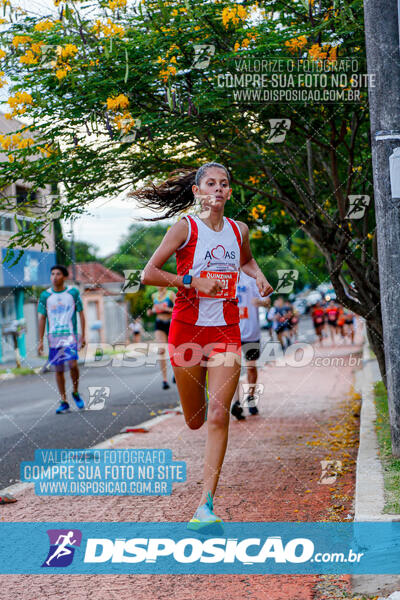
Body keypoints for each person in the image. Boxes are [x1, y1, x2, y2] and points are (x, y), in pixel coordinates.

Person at [134, 162, 273, 530]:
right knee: (195, 420)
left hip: (227, 331)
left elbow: (246, 260)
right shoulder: (185, 227)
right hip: (187, 330)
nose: (217, 189)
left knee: (217, 414)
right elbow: (148, 274)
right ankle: (192, 420)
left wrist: (259, 277)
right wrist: (192, 282)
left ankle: (205, 505)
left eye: (224, 184)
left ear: (229, 192)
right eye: (209, 183)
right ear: (197, 191)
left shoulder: (238, 229)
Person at [37, 264, 86, 414]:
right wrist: (40, 340)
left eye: (58, 274)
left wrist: (83, 335)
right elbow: (42, 318)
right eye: (52, 274)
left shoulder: (73, 293)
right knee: (58, 369)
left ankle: (75, 392)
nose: (55, 277)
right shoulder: (45, 296)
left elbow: (81, 314)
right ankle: (64, 400)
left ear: (64, 277)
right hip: (54, 338)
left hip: (70, 336)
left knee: (72, 365)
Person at [231, 269, 271, 420]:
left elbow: (267, 301)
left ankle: (251, 398)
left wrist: (260, 302)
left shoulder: (253, 276)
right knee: (232, 368)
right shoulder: (225, 273)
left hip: (251, 332)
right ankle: (236, 403)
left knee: (251, 367)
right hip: (231, 330)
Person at [147, 286, 176, 389]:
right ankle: (164, 380)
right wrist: (150, 312)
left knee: (173, 350)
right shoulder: (154, 296)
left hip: (170, 323)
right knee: (161, 351)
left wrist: (166, 309)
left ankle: (175, 374)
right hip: (159, 323)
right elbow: (153, 310)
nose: (158, 285)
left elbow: (179, 309)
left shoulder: (171, 294)